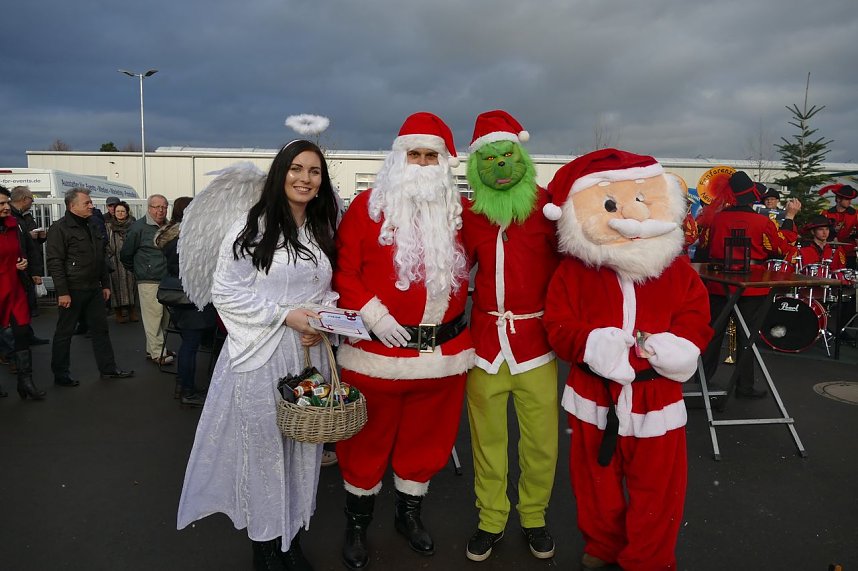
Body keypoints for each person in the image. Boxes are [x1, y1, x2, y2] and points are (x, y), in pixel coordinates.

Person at [542, 148, 713, 571]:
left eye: (643, 200)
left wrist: (679, 346)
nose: (633, 216)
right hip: (593, 395)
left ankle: (648, 559)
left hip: (656, 396)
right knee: (594, 482)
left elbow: (696, 316)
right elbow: (558, 325)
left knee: (659, 489)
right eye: (614, 204)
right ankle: (604, 544)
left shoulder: (675, 270)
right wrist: (594, 343)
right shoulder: (576, 271)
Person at [177, 140, 340, 571]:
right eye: (297, 169)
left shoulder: (322, 229)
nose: (305, 178)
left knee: (303, 449)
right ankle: (266, 546)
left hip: (307, 357)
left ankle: (293, 537)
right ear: (280, 172)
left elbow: (326, 291)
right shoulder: (252, 227)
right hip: (259, 356)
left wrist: (319, 321)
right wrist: (289, 317)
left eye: (314, 172)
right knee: (266, 451)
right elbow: (226, 292)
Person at [333, 112, 474, 570]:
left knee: (427, 441)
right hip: (376, 356)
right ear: (398, 158)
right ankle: (357, 524)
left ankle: (408, 515)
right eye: (413, 153)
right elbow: (345, 271)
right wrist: (374, 314)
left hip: (442, 359)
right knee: (365, 443)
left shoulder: (461, 214)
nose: (421, 162)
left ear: (444, 162)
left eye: (430, 155)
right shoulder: (366, 207)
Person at [459, 110, 559, 562]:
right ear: (477, 165)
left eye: (507, 156)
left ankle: (534, 516)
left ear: (521, 156)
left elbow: (573, 266)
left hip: (536, 345)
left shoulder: (547, 209)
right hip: (484, 346)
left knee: (541, 440)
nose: (500, 165)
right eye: (490, 158)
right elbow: (451, 270)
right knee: (487, 439)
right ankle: (491, 519)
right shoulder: (471, 214)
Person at [697, 171, 800, 399]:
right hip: (752, 284)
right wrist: (790, 217)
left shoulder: (714, 218)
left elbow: (702, 249)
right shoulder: (763, 221)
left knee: (713, 332)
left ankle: (701, 381)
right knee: (747, 336)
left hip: (718, 282)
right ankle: (744, 386)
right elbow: (781, 248)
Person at [44, 188, 134, 387]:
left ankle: (108, 369)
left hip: (93, 287)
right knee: (64, 333)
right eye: (87, 203)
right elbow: (55, 262)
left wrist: (105, 283)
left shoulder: (92, 224)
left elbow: (100, 256)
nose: (92, 206)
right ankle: (61, 374)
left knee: (100, 330)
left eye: (91, 202)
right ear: (72, 205)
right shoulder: (60, 228)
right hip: (72, 289)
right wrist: (63, 292)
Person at [154, 196, 214, 408]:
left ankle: (183, 385)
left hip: (177, 296)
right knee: (190, 346)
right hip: (193, 296)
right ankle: (187, 391)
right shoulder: (191, 238)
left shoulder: (170, 236)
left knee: (187, 344)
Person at [0, 188, 46, 400]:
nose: (6, 207)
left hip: (15, 288)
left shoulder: (13, 226)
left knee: (21, 334)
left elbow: (21, 252)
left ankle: (25, 382)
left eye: (6, 202)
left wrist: (24, 264)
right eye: (1, 204)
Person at [120, 194, 173, 365]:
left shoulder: (169, 226)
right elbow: (126, 254)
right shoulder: (139, 228)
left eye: (164, 207)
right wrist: (140, 270)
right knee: (154, 316)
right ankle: (158, 352)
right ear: (149, 208)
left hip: (166, 278)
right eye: (157, 207)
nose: (161, 210)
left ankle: (155, 348)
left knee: (164, 317)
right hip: (149, 279)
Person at [9, 186, 49, 342]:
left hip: (25, 268)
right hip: (17, 269)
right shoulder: (13, 218)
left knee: (25, 305)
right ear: (24, 199)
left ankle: (27, 336)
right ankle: (18, 342)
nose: (32, 202)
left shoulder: (23, 217)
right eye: (31, 199)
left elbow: (29, 246)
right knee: (19, 307)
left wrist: (40, 237)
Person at [106, 201, 139, 323]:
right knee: (115, 286)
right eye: (117, 211)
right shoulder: (108, 226)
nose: (120, 213)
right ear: (114, 213)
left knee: (132, 286)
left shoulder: (133, 225)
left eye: (122, 211)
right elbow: (105, 242)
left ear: (127, 212)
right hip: (114, 261)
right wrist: (111, 254)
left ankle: (132, 311)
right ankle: (118, 312)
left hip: (130, 260)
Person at [819, 183, 858, 270]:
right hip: (830, 252)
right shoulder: (826, 214)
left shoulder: (856, 214)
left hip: (849, 253)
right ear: (839, 199)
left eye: (850, 199)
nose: (850, 202)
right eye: (847, 199)